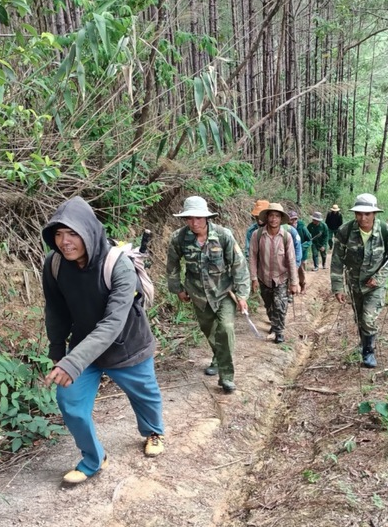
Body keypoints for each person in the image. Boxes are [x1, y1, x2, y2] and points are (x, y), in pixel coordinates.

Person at [42, 196, 165, 486]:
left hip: (127, 344)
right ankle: (93, 459)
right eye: (58, 234)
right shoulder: (55, 264)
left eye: (72, 233)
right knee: (69, 400)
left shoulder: (117, 265)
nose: (64, 241)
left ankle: (153, 431)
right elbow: (55, 309)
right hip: (86, 348)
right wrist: (58, 350)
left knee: (144, 395)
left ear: (89, 232)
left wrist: (72, 361)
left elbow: (112, 323)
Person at [167, 196, 250, 393]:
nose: (194, 223)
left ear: (206, 218)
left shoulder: (223, 235)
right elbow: (172, 265)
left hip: (223, 292)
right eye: (189, 218)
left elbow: (239, 265)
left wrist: (242, 295)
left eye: (198, 218)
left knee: (226, 328)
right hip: (198, 294)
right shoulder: (179, 238)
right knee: (210, 332)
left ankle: (227, 377)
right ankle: (218, 357)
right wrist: (178, 289)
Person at [330, 192, 388, 368]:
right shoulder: (345, 231)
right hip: (354, 283)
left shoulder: (387, 232)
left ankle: (368, 352)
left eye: (367, 214)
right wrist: (338, 287)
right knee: (359, 318)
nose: (363, 218)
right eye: (359, 214)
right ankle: (363, 343)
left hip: (376, 285)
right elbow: (337, 260)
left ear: (374, 214)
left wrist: (379, 277)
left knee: (369, 319)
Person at [249, 202, 298, 344]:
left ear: (280, 219)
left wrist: (294, 282)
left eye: (277, 216)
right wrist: (254, 278)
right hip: (263, 277)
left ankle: (279, 331)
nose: (273, 219)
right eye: (271, 216)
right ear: (267, 217)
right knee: (269, 305)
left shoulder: (286, 237)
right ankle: (274, 323)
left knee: (280, 305)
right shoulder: (257, 235)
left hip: (281, 277)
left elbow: (291, 260)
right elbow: (252, 257)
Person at [288, 210, 312, 293]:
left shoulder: (302, 227)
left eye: (295, 219)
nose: (293, 221)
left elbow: (309, 240)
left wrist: (302, 247)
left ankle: (303, 285)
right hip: (290, 254)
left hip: (301, 254)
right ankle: (291, 288)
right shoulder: (287, 229)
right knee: (289, 271)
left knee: (300, 270)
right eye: (291, 219)